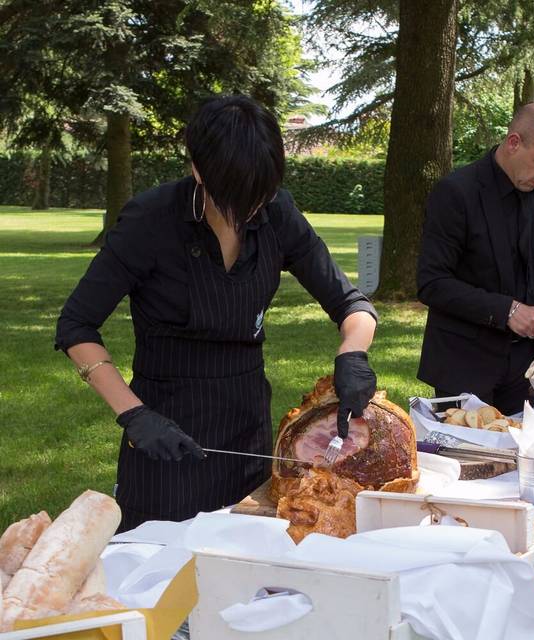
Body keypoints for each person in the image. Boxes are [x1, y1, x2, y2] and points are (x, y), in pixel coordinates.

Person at [55, 96, 379, 532]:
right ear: (198, 170)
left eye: (258, 197)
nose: (247, 213)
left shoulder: (277, 212)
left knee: (246, 560)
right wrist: (133, 415)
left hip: (247, 426)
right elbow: (76, 325)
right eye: (236, 198)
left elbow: (352, 305)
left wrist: (353, 353)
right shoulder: (150, 220)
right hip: (164, 434)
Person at [416, 102, 534, 414]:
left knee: (530, 454)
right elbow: (432, 283)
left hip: (532, 365)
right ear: (513, 143)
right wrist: (507, 310)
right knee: (476, 460)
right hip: (467, 363)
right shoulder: (456, 193)